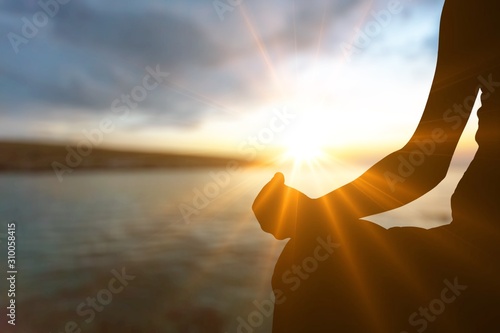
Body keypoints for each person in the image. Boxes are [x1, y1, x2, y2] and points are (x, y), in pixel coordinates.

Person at [253, 1, 500, 332]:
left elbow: (426, 160)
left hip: (481, 248)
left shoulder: (471, 8)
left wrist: (316, 214)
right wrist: (317, 213)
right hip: (479, 239)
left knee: (312, 263)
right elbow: (427, 159)